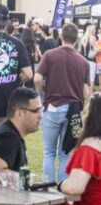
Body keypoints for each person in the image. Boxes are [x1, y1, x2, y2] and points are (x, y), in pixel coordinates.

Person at [35, 23, 90, 182]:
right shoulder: (84, 62)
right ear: (77, 39)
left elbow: (37, 78)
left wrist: (43, 91)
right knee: (65, 153)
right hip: (74, 110)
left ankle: (47, 185)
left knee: (49, 152)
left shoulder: (50, 55)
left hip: (53, 106)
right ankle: (62, 188)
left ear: (60, 37)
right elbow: (86, 93)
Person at [79, 23, 98, 94]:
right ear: (91, 30)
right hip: (92, 61)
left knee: (85, 78)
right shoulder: (93, 38)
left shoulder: (83, 38)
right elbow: (95, 51)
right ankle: (90, 95)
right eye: (94, 30)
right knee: (91, 79)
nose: (95, 31)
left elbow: (79, 50)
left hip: (84, 60)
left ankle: (84, 93)